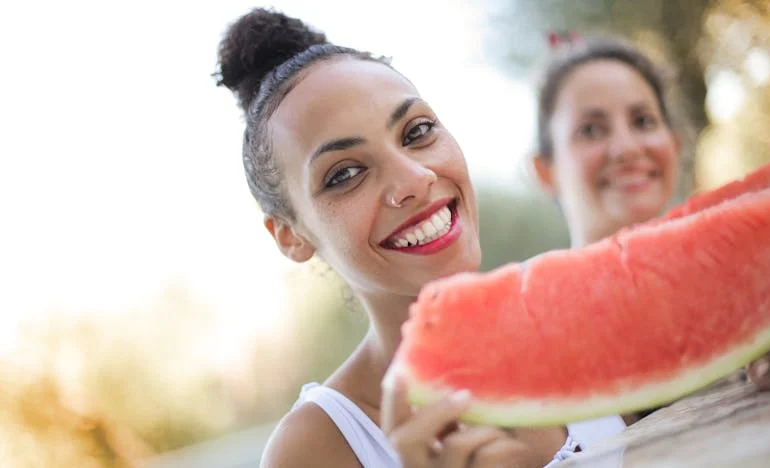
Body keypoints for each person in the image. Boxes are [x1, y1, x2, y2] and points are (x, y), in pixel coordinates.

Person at [214, 7, 571, 468]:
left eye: (417, 132)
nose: (415, 179)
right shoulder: (316, 448)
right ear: (290, 236)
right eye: (345, 174)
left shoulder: (575, 324)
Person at [530, 34, 770, 426]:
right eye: (591, 130)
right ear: (546, 171)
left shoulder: (749, 278)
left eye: (643, 121)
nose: (627, 148)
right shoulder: (537, 333)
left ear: (674, 145)